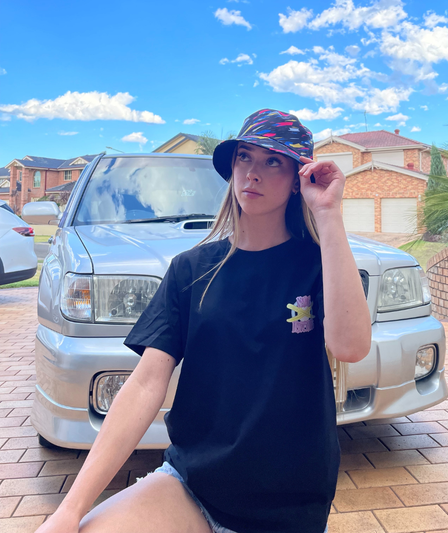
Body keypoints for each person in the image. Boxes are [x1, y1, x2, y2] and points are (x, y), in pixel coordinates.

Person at [36, 109, 372, 533]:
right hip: (192, 485)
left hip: (290, 503)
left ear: (297, 180)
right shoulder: (191, 270)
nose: (253, 172)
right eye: (244, 157)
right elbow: (145, 383)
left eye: (273, 162)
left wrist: (328, 213)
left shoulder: (318, 264)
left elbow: (350, 347)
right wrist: (70, 510)